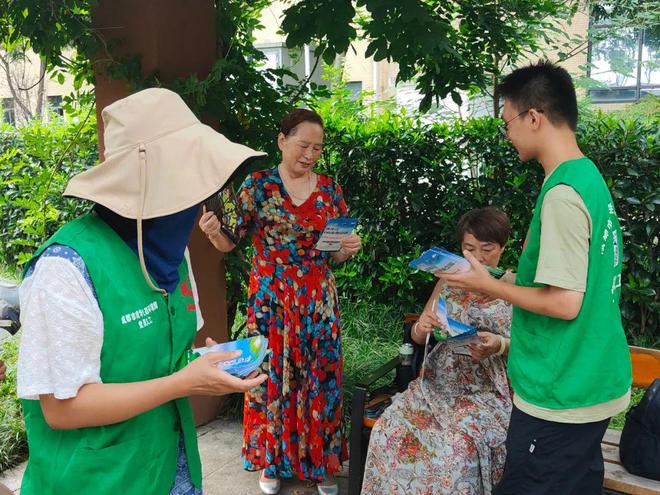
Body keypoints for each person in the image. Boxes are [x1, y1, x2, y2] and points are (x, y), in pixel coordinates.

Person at [16, 88, 268, 495]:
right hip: (94, 480)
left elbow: (166, 353)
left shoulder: (171, 252)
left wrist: (208, 364)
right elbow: (61, 408)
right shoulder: (66, 270)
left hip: (170, 468)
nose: (199, 199)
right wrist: (183, 383)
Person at [439, 61, 632, 495]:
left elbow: (566, 303)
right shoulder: (586, 177)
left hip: (561, 390)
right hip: (589, 376)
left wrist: (487, 285)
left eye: (507, 120)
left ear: (534, 117)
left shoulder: (562, 195)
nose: (506, 133)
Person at [199, 108, 361, 495]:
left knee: (320, 379)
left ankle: (322, 464)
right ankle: (271, 463)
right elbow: (229, 240)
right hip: (270, 301)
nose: (310, 154)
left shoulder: (330, 191)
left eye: (318, 148)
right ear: (282, 141)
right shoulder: (257, 186)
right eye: (303, 144)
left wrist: (348, 248)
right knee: (270, 378)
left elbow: (336, 252)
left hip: (318, 301)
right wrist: (211, 233)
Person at [361, 207, 514, 494]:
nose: (477, 258)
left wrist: (498, 345)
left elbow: (532, 347)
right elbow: (419, 336)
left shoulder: (514, 287)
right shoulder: (449, 279)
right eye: (469, 248)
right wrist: (423, 326)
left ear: (503, 248)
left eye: (487, 249)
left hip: (486, 393)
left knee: (454, 451)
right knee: (386, 430)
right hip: (437, 384)